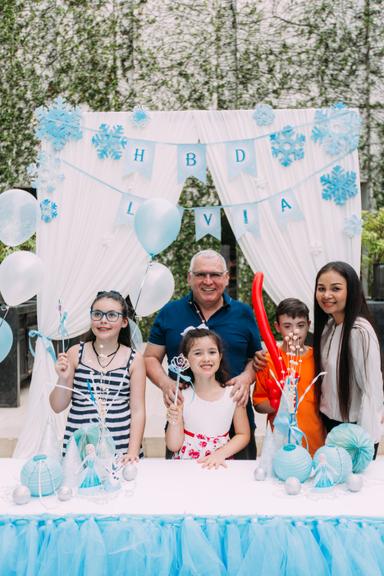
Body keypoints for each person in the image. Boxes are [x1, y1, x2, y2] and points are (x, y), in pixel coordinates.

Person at [144, 249, 262, 459]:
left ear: (226, 278)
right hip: (184, 423)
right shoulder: (170, 312)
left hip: (235, 421)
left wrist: (246, 378)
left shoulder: (244, 313)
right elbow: (150, 357)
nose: (208, 281)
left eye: (215, 274)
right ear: (189, 278)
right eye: (200, 274)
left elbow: (256, 358)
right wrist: (165, 383)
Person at [50, 290, 146, 463]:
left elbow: (138, 410)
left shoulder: (134, 360)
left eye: (111, 315)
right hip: (79, 452)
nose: (103, 320)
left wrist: (132, 451)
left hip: (120, 452)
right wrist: (62, 378)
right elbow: (57, 406)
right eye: (97, 314)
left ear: (124, 322)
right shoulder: (75, 353)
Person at [314, 261, 383, 457]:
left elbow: (372, 390)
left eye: (335, 288)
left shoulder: (359, 331)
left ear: (351, 291)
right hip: (328, 421)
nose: (326, 295)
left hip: (354, 428)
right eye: (321, 288)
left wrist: (366, 440)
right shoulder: (328, 327)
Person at [166, 328, 250, 468]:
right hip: (187, 466)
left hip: (220, 464)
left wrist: (220, 454)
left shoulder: (233, 394)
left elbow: (243, 434)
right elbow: (173, 445)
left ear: (220, 356)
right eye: (198, 353)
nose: (206, 358)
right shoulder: (181, 396)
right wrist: (175, 419)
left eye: (212, 352)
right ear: (185, 359)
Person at [253, 298, 325, 456]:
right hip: (280, 448)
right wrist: (279, 402)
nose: (295, 332)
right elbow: (258, 403)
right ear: (277, 327)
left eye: (301, 325)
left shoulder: (319, 358)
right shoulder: (267, 360)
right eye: (287, 326)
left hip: (316, 446)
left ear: (309, 324)